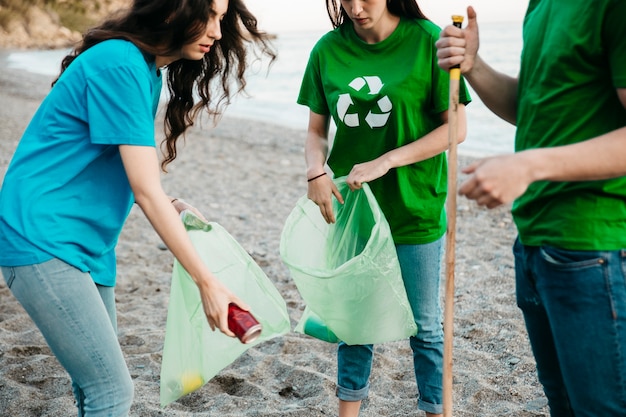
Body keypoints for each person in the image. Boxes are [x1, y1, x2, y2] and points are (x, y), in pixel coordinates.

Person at [0, 0, 276, 415]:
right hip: (41, 235)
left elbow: (130, 173)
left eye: (222, 18)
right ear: (172, 9)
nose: (218, 32)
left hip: (85, 243)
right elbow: (144, 190)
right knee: (111, 391)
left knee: (94, 387)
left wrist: (171, 202)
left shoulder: (145, 69)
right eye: (210, 15)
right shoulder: (120, 63)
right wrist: (207, 282)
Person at [436, 3, 626, 416]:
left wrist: (528, 165)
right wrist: (474, 65)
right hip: (537, 244)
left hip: (596, 248)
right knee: (564, 404)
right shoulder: (542, 4)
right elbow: (535, 108)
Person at [297, 1, 470, 416]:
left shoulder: (429, 40)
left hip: (415, 206)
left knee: (426, 329)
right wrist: (314, 172)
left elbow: (456, 127)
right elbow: (316, 131)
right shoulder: (326, 50)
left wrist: (387, 160)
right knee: (354, 327)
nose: (356, 8)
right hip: (355, 211)